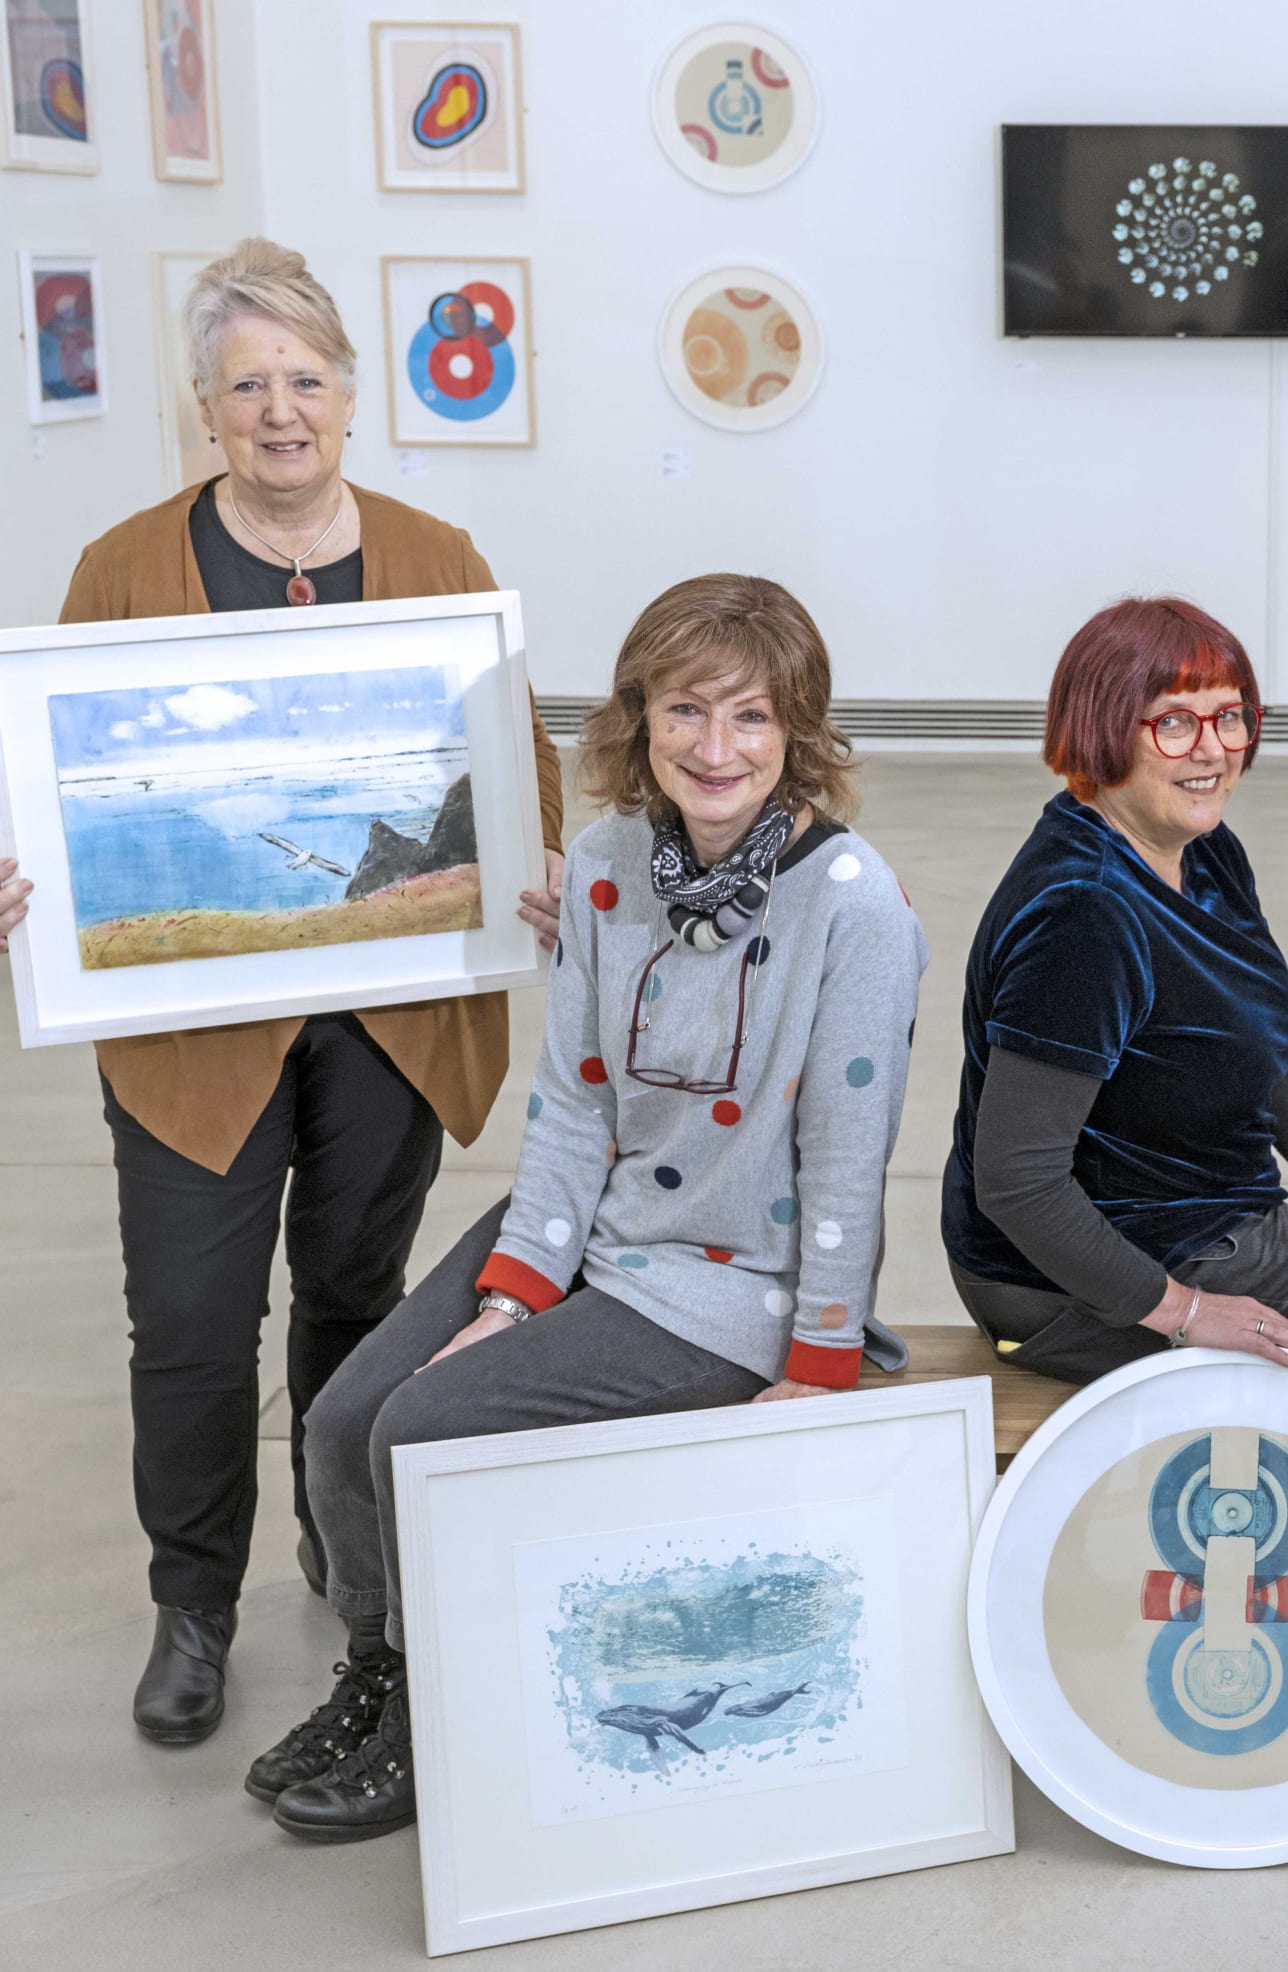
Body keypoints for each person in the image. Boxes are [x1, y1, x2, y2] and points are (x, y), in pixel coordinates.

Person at [0, 238, 565, 1746]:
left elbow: (518, 766)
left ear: (352, 394)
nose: (280, 411)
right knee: (189, 1320)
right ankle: (193, 1607)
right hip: (191, 1044)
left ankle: (331, 1533)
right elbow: (53, 797)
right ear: (206, 410)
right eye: (248, 386)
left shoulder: (439, 559)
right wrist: (9, 876)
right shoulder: (124, 568)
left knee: (356, 1301)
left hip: (391, 1021)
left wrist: (535, 852)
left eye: (305, 378)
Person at [248, 575, 927, 1840]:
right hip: (591, 1236)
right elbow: (572, 1105)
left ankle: (434, 1724)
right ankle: (382, 1667)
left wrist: (822, 1357)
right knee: (345, 1417)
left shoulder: (854, 905)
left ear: (796, 738)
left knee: (425, 1425)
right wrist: (512, 1296)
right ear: (641, 716)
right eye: (685, 710)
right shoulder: (610, 865)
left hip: (735, 1284)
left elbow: (848, 1150)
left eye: (750, 720)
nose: (713, 748)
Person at [940, 597, 1288, 1384]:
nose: (1213, 750)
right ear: (1101, 730)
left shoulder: (1202, 852)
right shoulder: (1085, 913)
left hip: (1181, 1220)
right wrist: (1187, 1312)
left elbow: (1269, 1057)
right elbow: (1016, 1182)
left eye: (1229, 717)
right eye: (1173, 723)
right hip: (1065, 1284)